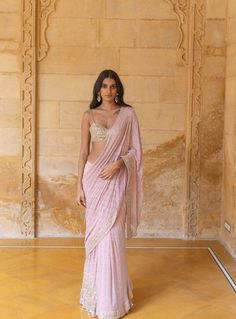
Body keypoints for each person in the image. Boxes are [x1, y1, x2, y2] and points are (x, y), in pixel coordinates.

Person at [76, 69, 143, 319]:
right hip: (93, 180)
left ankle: (113, 301)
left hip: (115, 180)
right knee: (96, 239)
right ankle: (96, 296)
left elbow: (136, 151)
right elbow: (83, 152)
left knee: (113, 235)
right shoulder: (88, 115)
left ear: (118, 89)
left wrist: (119, 163)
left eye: (113, 86)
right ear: (98, 89)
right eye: (104, 86)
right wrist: (78, 185)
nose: (109, 90)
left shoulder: (128, 115)